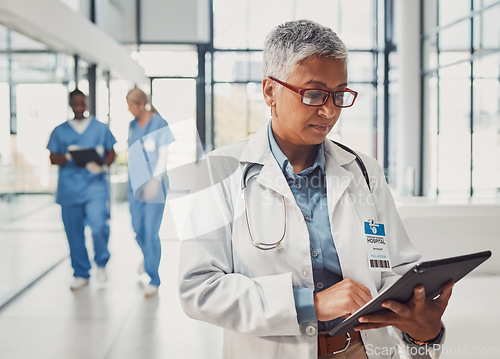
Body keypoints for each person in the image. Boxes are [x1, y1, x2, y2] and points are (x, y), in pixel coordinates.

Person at [178, 20, 453, 359]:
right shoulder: (219, 172)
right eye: (313, 93)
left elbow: (395, 271)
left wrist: (423, 333)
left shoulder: (364, 171)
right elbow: (199, 289)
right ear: (269, 92)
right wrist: (311, 303)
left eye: (340, 94)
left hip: (362, 351)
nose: (330, 110)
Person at [47, 89, 116, 291]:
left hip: (95, 185)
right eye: (75, 105)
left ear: (86, 104)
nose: (79, 108)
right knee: (74, 234)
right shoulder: (60, 131)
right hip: (69, 189)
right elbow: (53, 158)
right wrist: (69, 156)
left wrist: (103, 166)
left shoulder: (100, 128)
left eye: (81, 104)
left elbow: (111, 152)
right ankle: (81, 273)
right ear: (70, 105)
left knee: (99, 226)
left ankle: (101, 263)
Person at [126, 88, 175, 298]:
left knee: (150, 231)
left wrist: (155, 181)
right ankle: (148, 259)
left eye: (130, 105)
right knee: (137, 229)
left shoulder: (159, 123)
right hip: (135, 186)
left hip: (154, 186)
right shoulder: (132, 125)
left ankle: (154, 279)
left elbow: (163, 154)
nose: (128, 110)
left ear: (141, 104)